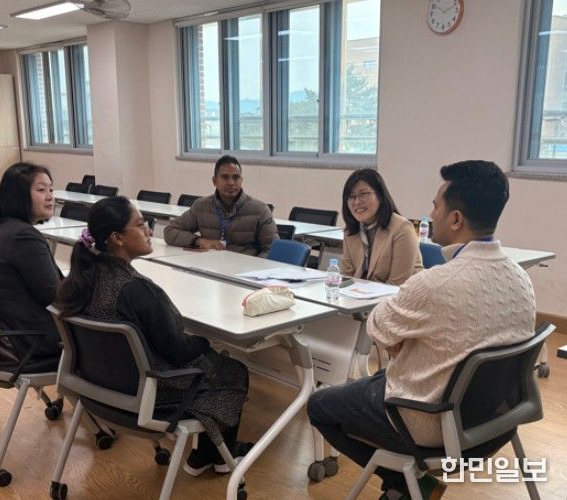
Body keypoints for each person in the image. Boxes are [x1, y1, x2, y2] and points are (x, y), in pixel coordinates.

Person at [307, 161, 536, 499]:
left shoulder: (435, 283)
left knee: (319, 406)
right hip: (498, 420)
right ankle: (407, 487)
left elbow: (377, 326)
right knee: (379, 377)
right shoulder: (521, 278)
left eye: (435, 206)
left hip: (432, 424)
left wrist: (401, 340)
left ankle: (404, 484)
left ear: (455, 219)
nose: (430, 215)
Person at [55, 196, 250, 476]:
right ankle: (217, 456)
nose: (149, 230)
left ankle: (209, 454)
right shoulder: (135, 289)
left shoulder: (82, 278)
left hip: (98, 387)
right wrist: (205, 340)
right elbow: (178, 350)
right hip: (148, 393)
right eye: (140, 224)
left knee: (212, 360)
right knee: (232, 370)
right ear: (117, 238)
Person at [0, 162, 62, 364]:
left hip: (6, 335)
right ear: (19, 195)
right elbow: (56, 296)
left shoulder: (4, 228)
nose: (50, 196)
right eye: (41, 190)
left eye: (51, 189)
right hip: (29, 343)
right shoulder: (23, 236)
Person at [163, 155, 277, 257]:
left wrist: (254, 268)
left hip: (245, 270)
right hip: (211, 268)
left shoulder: (260, 211)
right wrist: (199, 241)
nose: (231, 183)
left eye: (236, 177)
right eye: (225, 177)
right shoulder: (201, 206)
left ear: (241, 180)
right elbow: (170, 231)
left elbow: (272, 249)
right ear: (214, 181)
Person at [341, 168, 422, 285]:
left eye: (363, 194)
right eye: (351, 196)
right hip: (360, 293)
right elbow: (346, 277)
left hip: (400, 295)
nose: (357, 202)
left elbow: (397, 285)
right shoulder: (351, 231)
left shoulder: (402, 228)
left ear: (380, 195)